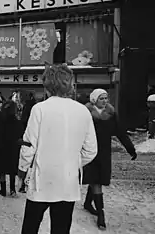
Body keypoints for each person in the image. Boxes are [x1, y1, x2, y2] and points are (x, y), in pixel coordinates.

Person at [20, 63, 98, 234]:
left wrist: (22, 170)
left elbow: (29, 145)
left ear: (47, 85)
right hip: (68, 181)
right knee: (61, 229)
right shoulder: (83, 111)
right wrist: (73, 162)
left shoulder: (39, 109)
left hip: (41, 180)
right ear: (69, 84)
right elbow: (91, 150)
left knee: (30, 227)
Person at [82, 88, 137, 230]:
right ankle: (101, 214)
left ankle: (88, 203)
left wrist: (131, 149)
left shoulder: (111, 115)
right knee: (96, 181)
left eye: (106, 98)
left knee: (98, 179)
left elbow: (120, 133)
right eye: (102, 98)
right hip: (90, 152)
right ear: (94, 100)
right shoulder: (85, 114)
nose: (105, 101)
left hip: (105, 153)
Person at [18, 92, 37, 193]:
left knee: (25, 162)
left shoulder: (28, 108)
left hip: (27, 139)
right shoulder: (35, 108)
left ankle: (22, 184)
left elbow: (23, 120)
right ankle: (27, 183)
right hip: (34, 140)